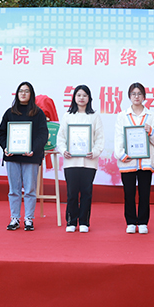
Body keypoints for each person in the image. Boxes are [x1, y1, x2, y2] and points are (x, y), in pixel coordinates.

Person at [0, 82, 49, 231]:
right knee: (14, 190)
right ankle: (14, 218)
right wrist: (6, 148)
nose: (23, 93)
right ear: (17, 94)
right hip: (12, 157)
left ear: (31, 94)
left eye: (26, 91)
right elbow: (1, 133)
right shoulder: (10, 113)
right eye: (21, 91)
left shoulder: (38, 113)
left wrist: (33, 149)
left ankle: (29, 219)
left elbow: (43, 135)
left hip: (31, 156)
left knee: (30, 190)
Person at [114, 83, 154, 234]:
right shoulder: (123, 116)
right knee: (128, 193)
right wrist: (122, 154)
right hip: (128, 161)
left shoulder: (151, 116)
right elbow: (118, 137)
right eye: (133, 94)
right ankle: (130, 222)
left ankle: (142, 222)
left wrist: (151, 131)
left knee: (144, 193)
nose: (136, 96)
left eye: (139, 94)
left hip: (146, 162)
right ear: (129, 96)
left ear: (144, 97)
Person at [56, 85, 104, 233]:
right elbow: (61, 137)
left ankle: (84, 222)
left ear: (89, 98)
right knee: (71, 193)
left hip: (89, 162)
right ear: (74, 98)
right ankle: (71, 221)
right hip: (71, 161)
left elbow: (99, 138)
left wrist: (94, 152)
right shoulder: (68, 116)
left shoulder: (94, 116)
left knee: (86, 193)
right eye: (78, 95)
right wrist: (64, 151)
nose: (81, 98)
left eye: (84, 95)